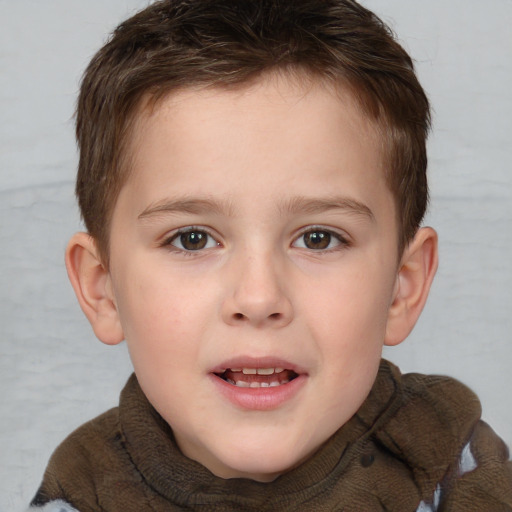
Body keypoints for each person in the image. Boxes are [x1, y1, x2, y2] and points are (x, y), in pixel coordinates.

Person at [29, 0, 512, 510]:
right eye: (192, 238)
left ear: (403, 285)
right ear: (102, 288)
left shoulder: (451, 467)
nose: (258, 298)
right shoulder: (83, 489)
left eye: (319, 238)